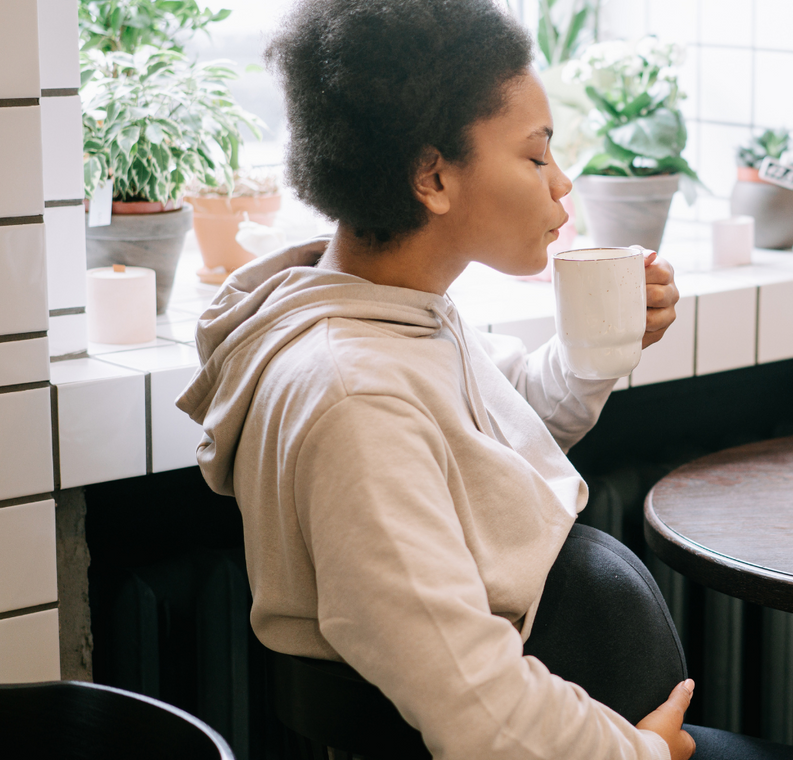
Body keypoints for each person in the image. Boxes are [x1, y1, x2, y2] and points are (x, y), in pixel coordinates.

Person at [174, 0, 694, 757]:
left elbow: (504, 429)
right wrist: (640, 754)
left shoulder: (401, 316)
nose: (563, 186)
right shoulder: (353, 393)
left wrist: (598, 347)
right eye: (536, 155)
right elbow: (468, 693)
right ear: (432, 177)